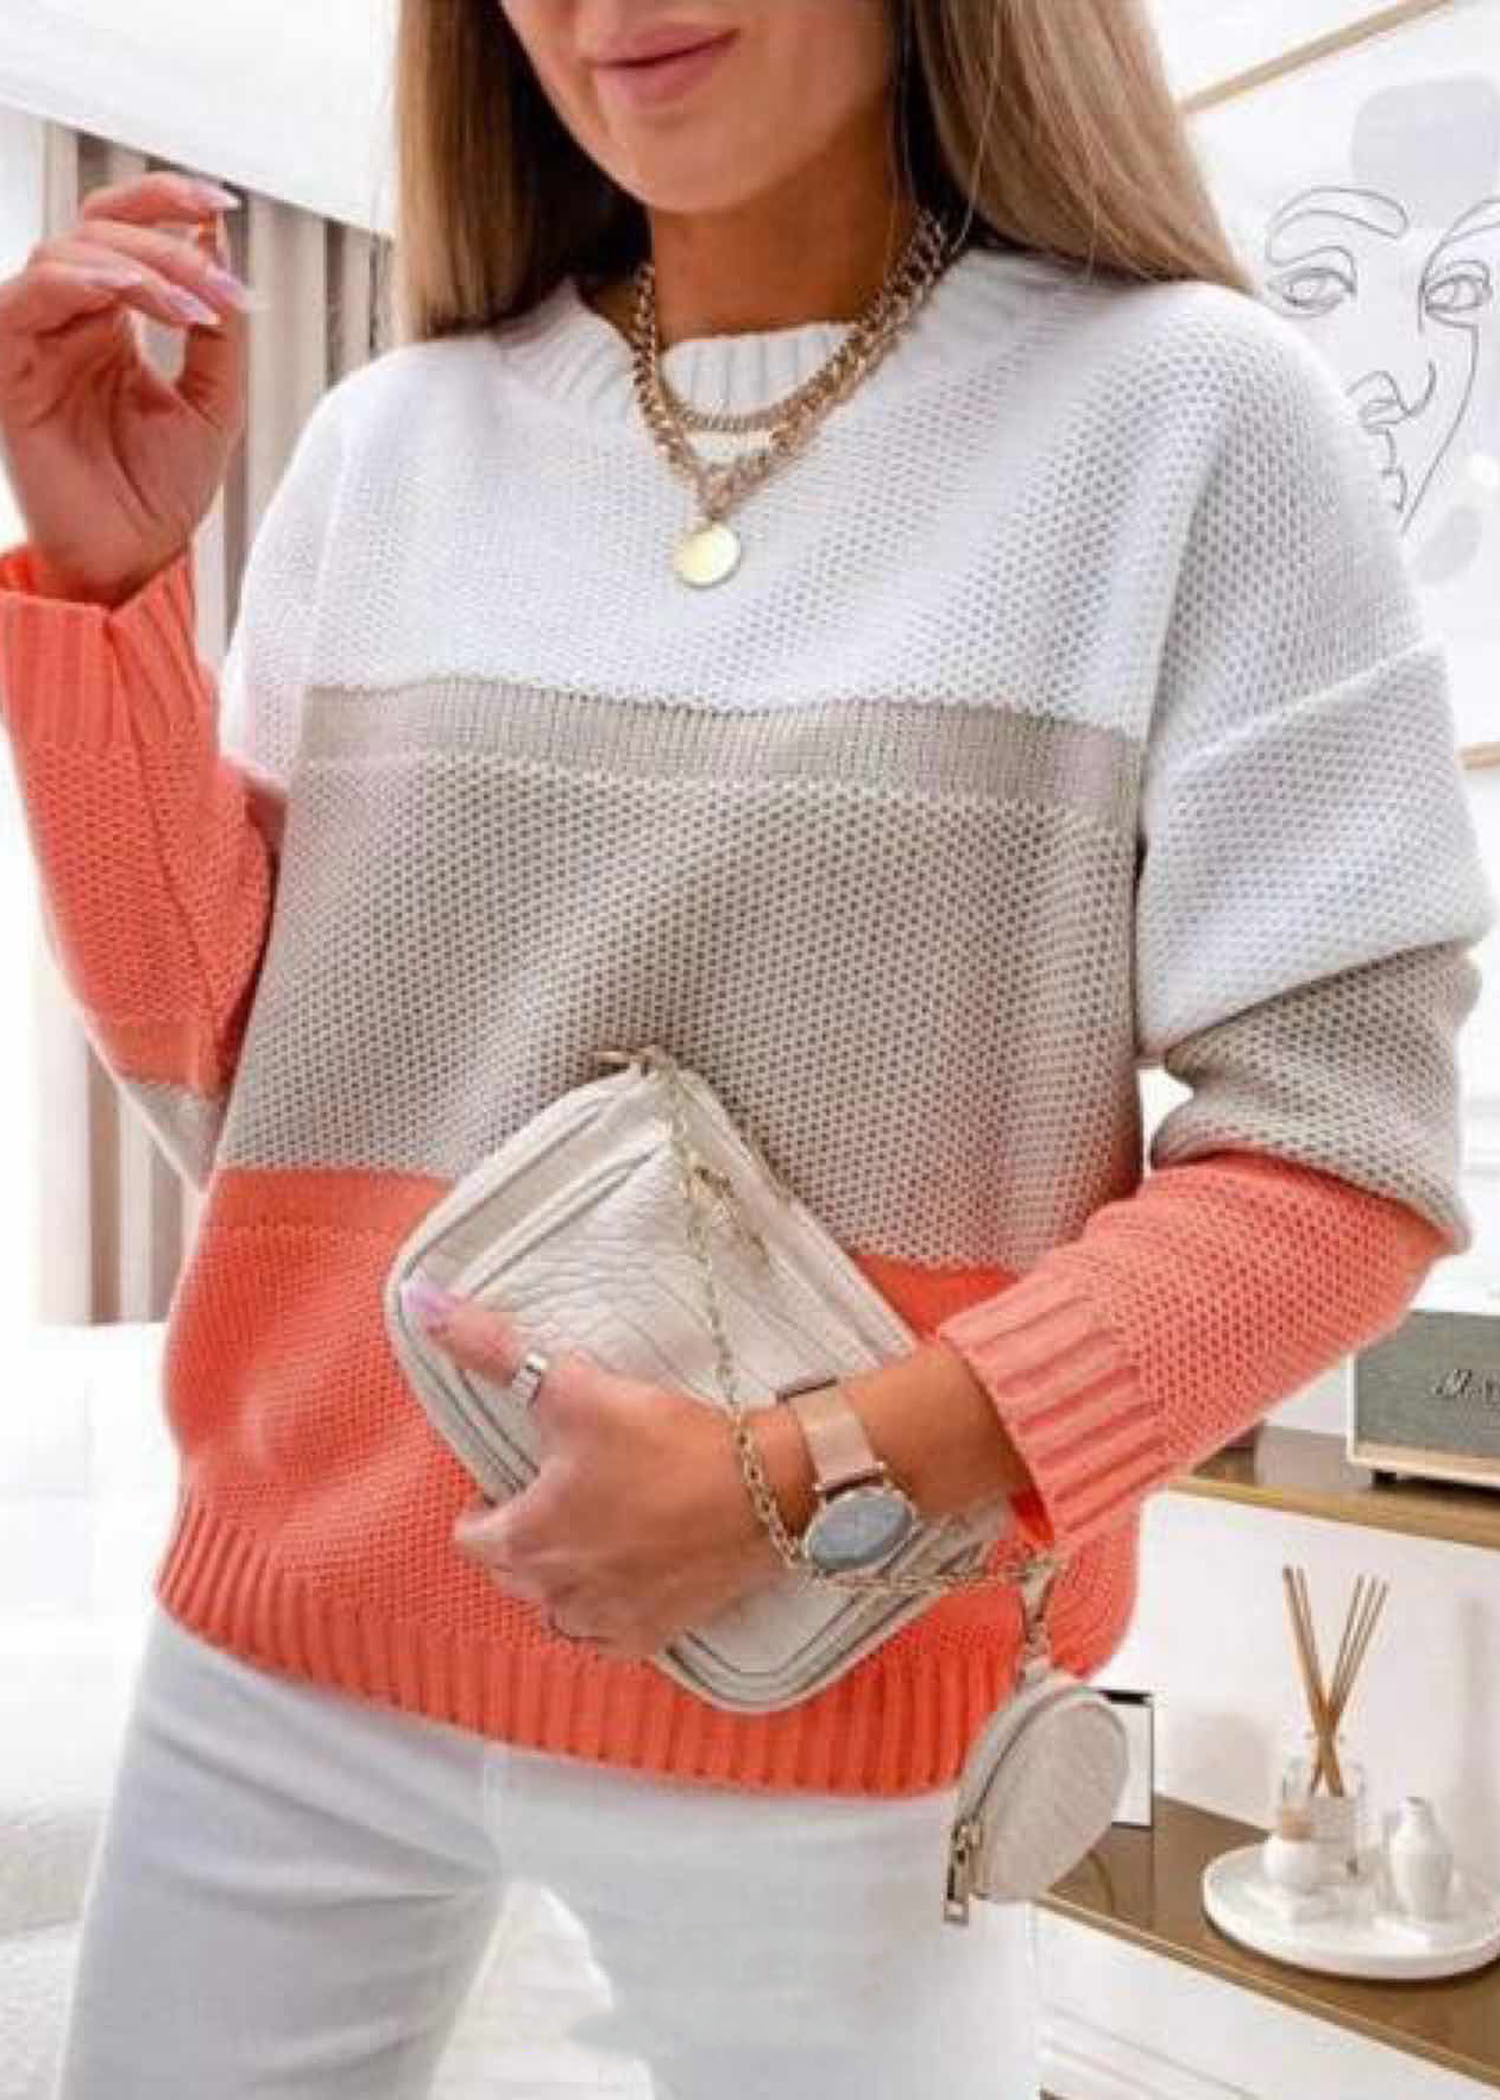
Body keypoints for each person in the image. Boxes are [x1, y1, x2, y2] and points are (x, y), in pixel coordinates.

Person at [0, 2, 1493, 2094]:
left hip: (834, 1674)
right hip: (291, 1640)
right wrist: (104, 584)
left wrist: (812, 1478)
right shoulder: (388, 443)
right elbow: (227, 1073)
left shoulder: (1187, 418)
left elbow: (1343, 1161)